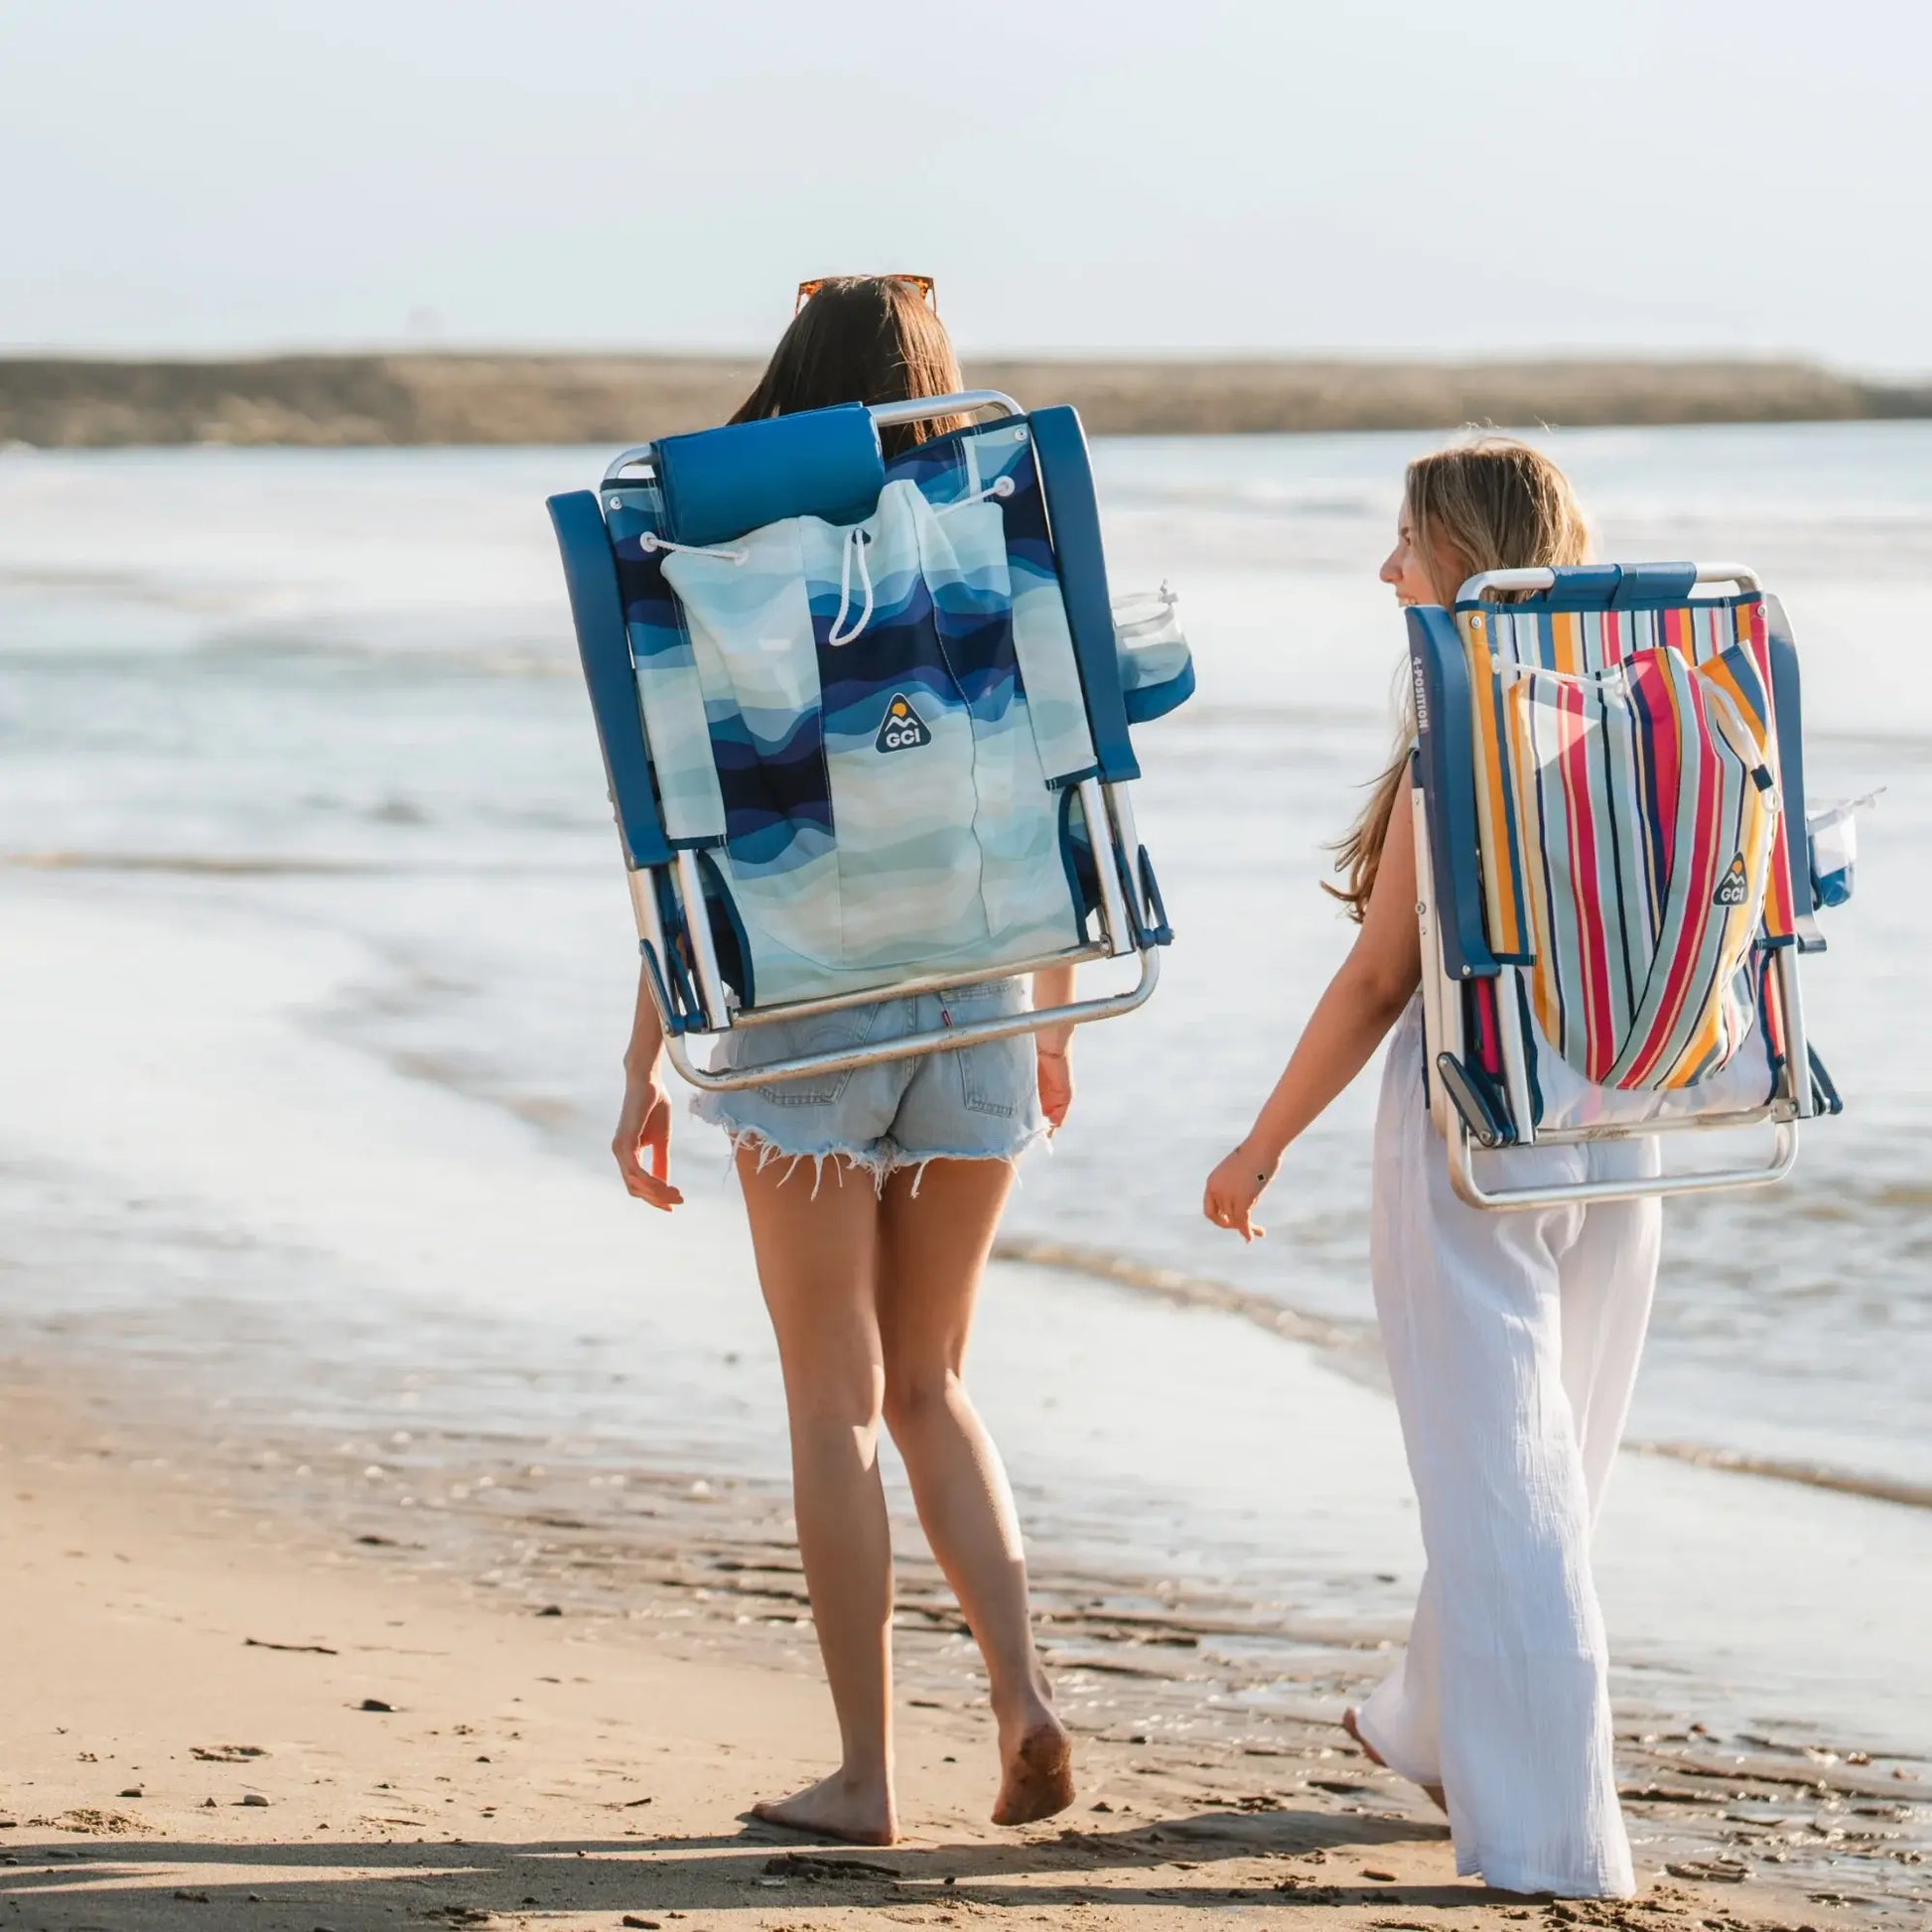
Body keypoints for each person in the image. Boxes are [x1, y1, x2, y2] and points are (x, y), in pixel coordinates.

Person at [611, 276, 1076, 1847]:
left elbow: (682, 818)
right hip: (977, 994)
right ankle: (1019, 1698)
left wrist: (644, 1055)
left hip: (808, 997)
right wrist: (1053, 1011)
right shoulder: (991, 534)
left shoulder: (726, 556)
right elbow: (1056, 776)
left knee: (836, 1400)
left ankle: (868, 1777)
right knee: (936, 1378)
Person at [1202, 438, 1656, 1899]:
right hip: (1628, 1112)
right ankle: (1434, 1723)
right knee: (1547, 1458)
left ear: (1456, 555)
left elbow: (1375, 980)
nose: (1382, 569)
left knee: (1499, 1476)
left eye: (1401, 540)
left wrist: (1258, 1142)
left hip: (1479, 1115)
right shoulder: (1644, 702)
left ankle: (1549, 1839)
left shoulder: (1463, 726)